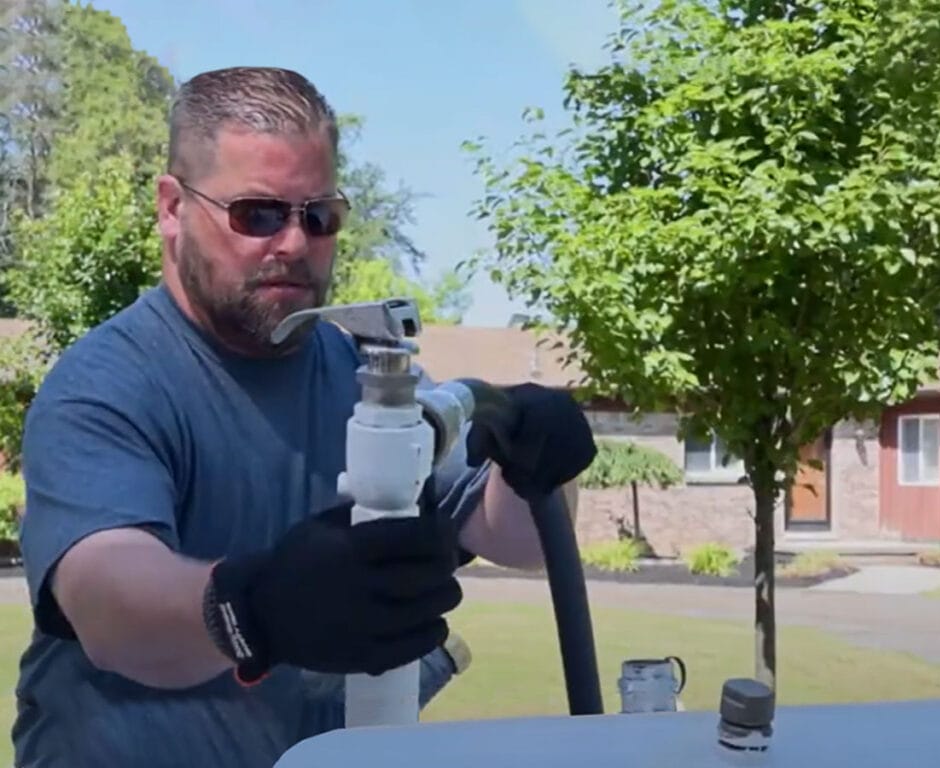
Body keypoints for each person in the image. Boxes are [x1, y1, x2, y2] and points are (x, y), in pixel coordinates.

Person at [10, 66, 596, 767]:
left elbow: (517, 538)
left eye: (318, 217)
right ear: (172, 208)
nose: (293, 244)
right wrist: (253, 608)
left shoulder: (369, 374)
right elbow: (107, 602)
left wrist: (540, 469)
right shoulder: (109, 382)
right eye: (257, 214)